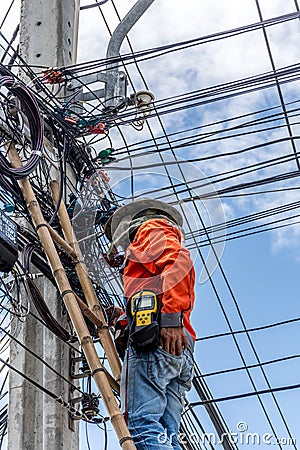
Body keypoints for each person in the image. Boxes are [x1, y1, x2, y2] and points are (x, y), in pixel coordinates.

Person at [105, 198, 195, 450]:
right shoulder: (142, 262)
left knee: (141, 425)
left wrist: (169, 318)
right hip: (176, 348)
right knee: (167, 434)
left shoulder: (150, 228)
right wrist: (124, 319)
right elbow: (150, 297)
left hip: (159, 340)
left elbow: (179, 262)